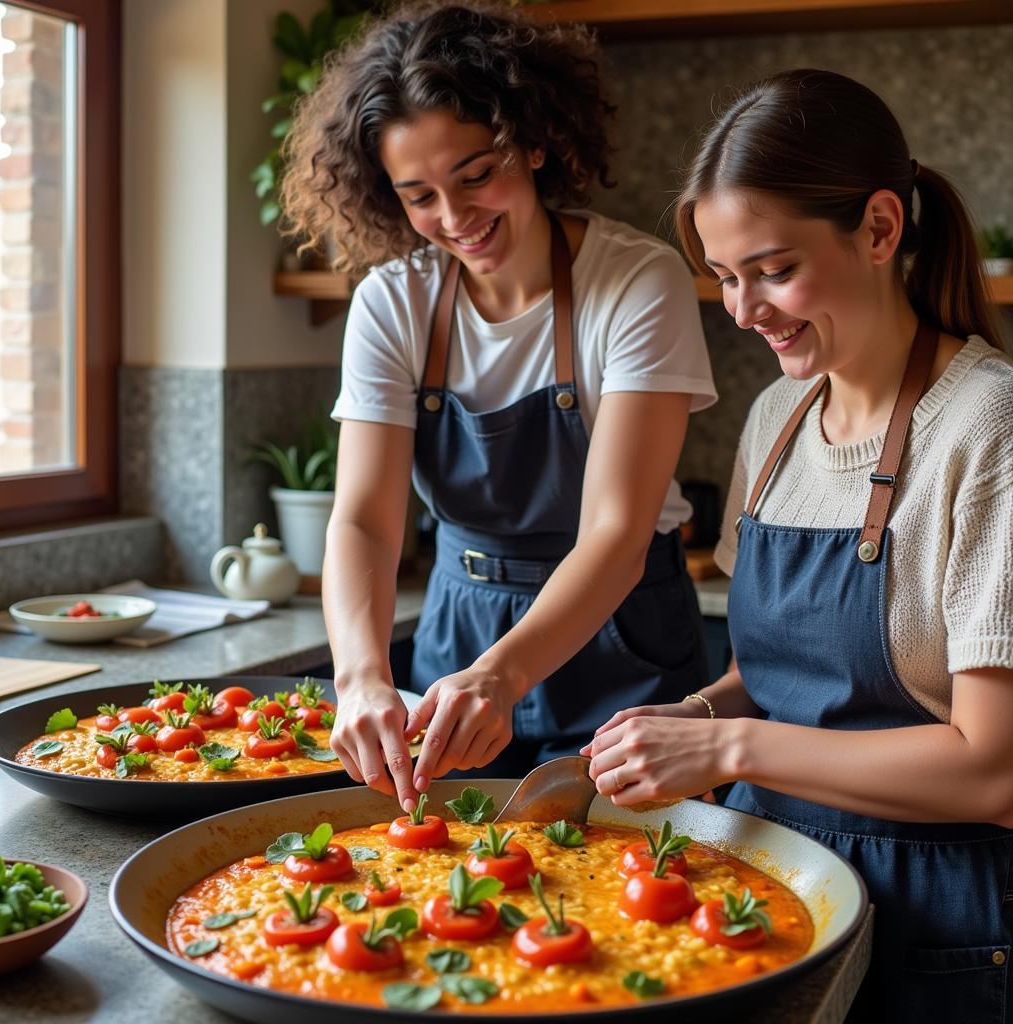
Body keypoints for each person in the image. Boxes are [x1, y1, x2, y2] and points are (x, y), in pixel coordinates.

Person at [583, 67, 1013, 1020]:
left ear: (880, 229)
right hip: (767, 893)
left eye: (773, 270)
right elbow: (773, 676)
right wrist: (698, 715)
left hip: (940, 926)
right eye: (726, 277)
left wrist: (730, 745)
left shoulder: (989, 427)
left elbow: (996, 768)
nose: (742, 312)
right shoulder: (777, 415)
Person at [281, 1, 716, 813]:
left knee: (632, 883)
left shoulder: (635, 281)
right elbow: (365, 522)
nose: (454, 219)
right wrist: (362, 678)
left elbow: (617, 535)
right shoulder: (391, 304)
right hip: (458, 624)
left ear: (537, 141)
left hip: (621, 633)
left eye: (478, 174)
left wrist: (505, 674)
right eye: (419, 196)